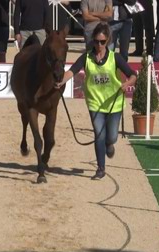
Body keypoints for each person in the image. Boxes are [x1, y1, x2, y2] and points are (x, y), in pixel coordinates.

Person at [55, 22, 137, 180]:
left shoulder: (115, 57)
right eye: (96, 41)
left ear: (108, 41)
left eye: (102, 42)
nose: (99, 45)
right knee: (99, 135)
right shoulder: (86, 57)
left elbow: (133, 75)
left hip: (114, 104)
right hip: (95, 104)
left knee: (111, 136)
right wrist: (61, 81)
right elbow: (71, 71)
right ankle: (100, 168)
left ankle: (109, 144)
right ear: (92, 40)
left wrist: (126, 84)